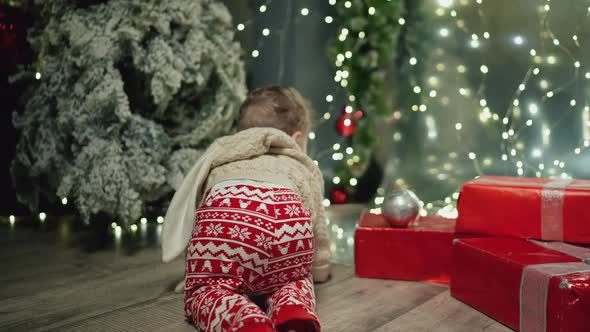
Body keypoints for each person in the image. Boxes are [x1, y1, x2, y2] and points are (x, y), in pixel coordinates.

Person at [161, 86, 331, 332]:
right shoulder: (301, 164)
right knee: (293, 278)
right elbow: (318, 228)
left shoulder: (223, 152)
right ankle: (293, 308)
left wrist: (200, 268)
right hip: (287, 228)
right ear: (296, 140)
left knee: (208, 291)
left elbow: (200, 212)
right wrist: (319, 269)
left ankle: (245, 322)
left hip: (231, 227)